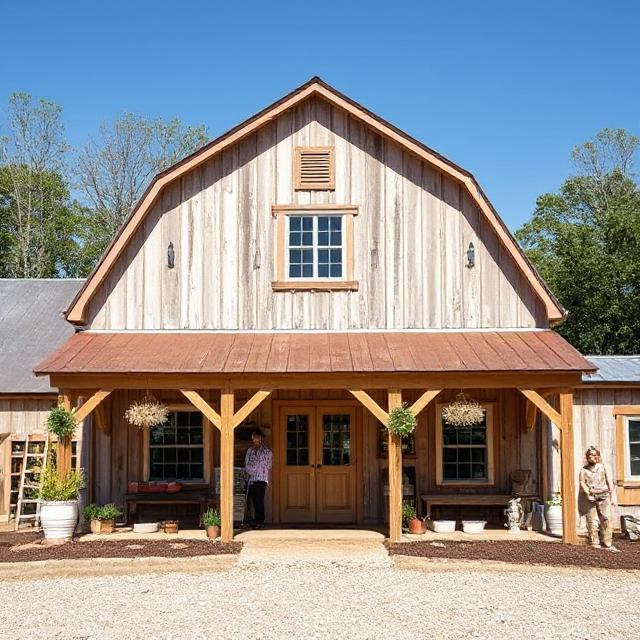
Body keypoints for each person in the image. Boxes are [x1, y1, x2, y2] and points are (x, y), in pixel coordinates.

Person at [578, 446, 618, 551]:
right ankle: (594, 543)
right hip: (591, 496)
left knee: (606, 519)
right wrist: (587, 494)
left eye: (594, 455)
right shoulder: (584, 470)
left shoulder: (604, 467)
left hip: (604, 495)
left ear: (598, 456)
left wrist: (612, 496)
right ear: (587, 457)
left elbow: (610, 482)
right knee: (592, 521)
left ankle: (607, 543)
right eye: (590, 455)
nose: (592, 457)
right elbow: (582, 482)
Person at [243, 428, 272, 529]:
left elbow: (266, 465)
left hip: (261, 479)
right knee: (251, 500)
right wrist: (251, 470)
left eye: (256, 437)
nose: (254, 439)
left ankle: (260, 521)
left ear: (260, 438)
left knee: (259, 500)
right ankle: (252, 520)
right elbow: (247, 464)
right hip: (251, 479)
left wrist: (253, 468)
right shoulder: (250, 451)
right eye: (253, 438)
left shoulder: (267, 452)